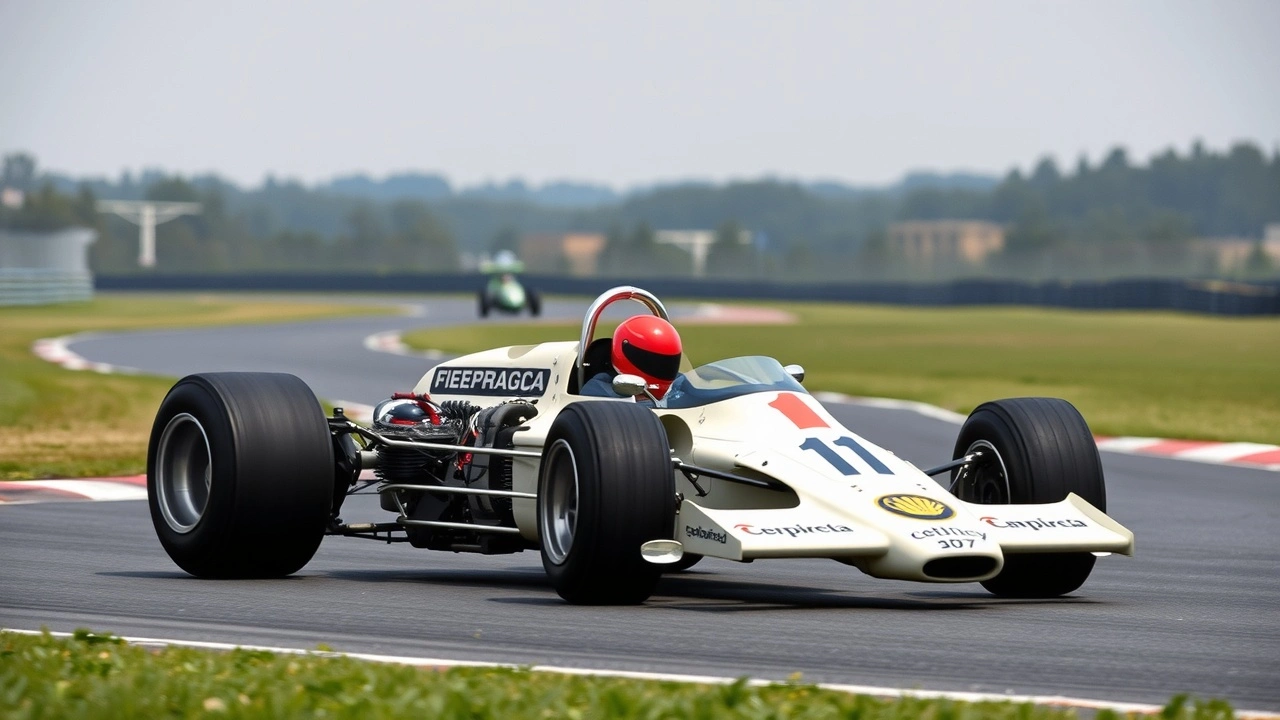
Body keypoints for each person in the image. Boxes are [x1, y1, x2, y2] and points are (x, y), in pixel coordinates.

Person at [581, 314, 683, 400]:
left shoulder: (678, 385)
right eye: (656, 362)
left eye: (669, 362)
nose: (664, 369)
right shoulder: (599, 389)